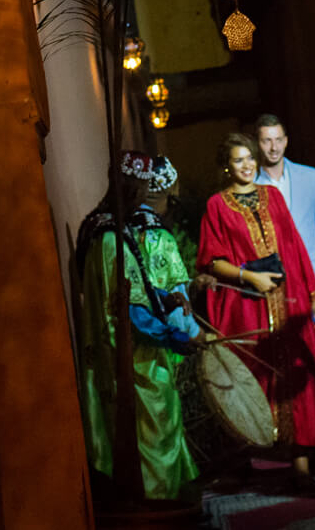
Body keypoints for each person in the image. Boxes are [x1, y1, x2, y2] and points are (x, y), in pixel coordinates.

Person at [75, 151, 203, 500]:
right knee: (153, 432)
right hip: (131, 361)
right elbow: (129, 311)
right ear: (130, 187)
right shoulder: (111, 238)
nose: (147, 196)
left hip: (116, 355)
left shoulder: (97, 226)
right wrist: (174, 336)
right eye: (142, 187)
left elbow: (131, 291)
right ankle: (157, 508)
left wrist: (165, 298)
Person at [199, 134, 315, 476]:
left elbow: (295, 245)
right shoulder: (217, 205)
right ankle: (251, 466)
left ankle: (302, 469)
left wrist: (314, 294)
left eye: (250, 158)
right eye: (239, 160)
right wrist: (248, 277)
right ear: (227, 165)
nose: (247, 165)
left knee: (296, 378)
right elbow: (212, 260)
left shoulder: (272, 196)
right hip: (247, 306)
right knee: (252, 379)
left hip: (290, 299)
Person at [254, 114, 315, 455]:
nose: (273, 147)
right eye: (266, 140)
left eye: (278, 139)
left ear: (287, 140)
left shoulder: (310, 177)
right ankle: (303, 445)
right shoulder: (254, 185)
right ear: (258, 143)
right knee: (288, 372)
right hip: (279, 292)